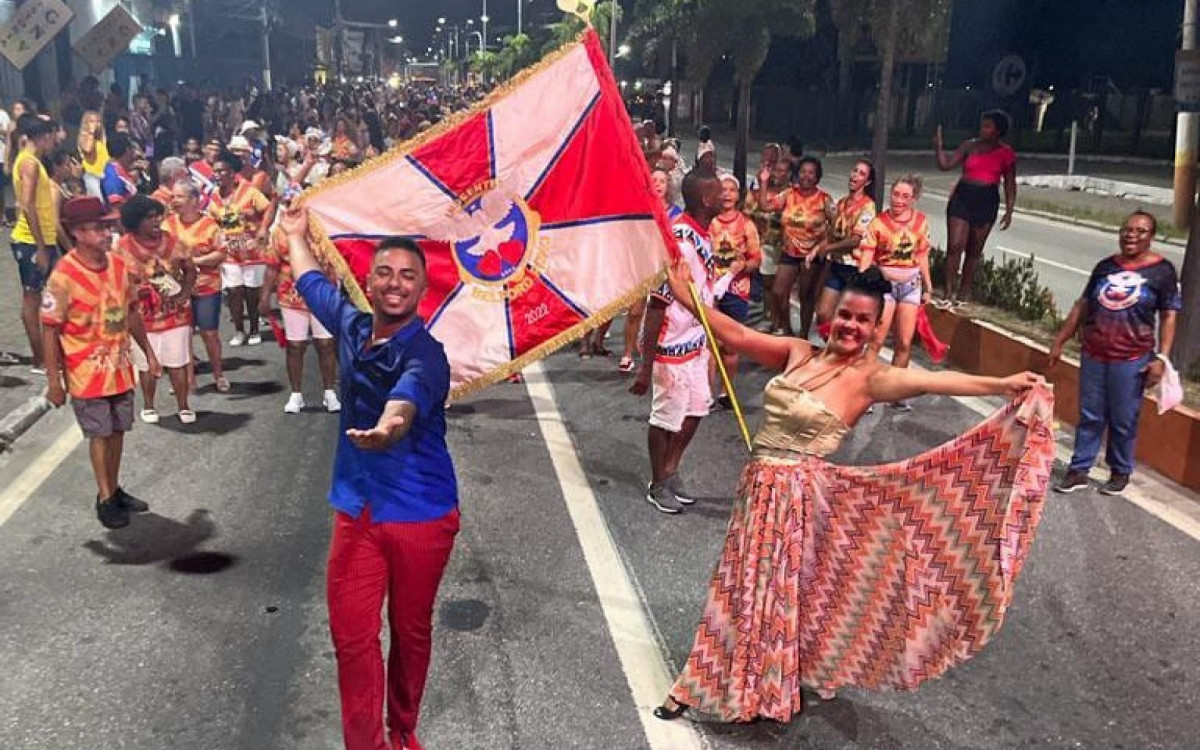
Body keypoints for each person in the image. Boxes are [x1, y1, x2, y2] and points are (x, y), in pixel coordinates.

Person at [652, 260, 1051, 725]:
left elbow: (934, 381)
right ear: (830, 313)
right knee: (746, 587)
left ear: (873, 326)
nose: (850, 326)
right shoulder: (799, 352)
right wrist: (686, 297)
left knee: (761, 592)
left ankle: (708, 683)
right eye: (845, 315)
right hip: (758, 491)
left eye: (862, 320)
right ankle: (739, 679)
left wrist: (1001, 384)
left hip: (797, 501)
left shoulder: (871, 379)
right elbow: (736, 337)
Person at [278, 205, 460, 750]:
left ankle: (403, 730)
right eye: (385, 272)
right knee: (353, 639)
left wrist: (388, 426)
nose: (394, 284)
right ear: (369, 279)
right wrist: (293, 235)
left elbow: (408, 396)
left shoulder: (428, 354)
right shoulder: (355, 327)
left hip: (419, 516)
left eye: (407, 275)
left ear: (422, 287)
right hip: (356, 512)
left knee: (410, 631)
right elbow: (312, 284)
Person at [42, 196, 160, 529]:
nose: (107, 233)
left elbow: (132, 311)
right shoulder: (63, 276)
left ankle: (114, 486)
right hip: (85, 372)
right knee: (100, 433)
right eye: (98, 228)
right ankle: (105, 497)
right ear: (78, 232)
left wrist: (148, 353)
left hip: (119, 367)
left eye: (108, 226)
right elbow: (49, 330)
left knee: (119, 429)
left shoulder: (119, 265)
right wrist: (55, 381)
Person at [1050, 210, 1180, 496]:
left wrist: (1162, 358)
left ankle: (1120, 471)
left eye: (1140, 231)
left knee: (1123, 418)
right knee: (1090, 415)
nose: (1131, 235)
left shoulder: (1162, 271)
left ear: (1151, 236)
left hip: (1132, 360)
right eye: (1127, 229)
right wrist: (1060, 340)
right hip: (1095, 354)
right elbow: (1082, 306)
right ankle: (1079, 469)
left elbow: (1169, 316)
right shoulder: (1105, 267)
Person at [630, 170, 721, 515]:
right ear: (706, 199)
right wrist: (646, 365)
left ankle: (670, 470)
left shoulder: (702, 234)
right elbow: (657, 304)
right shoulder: (680, 242)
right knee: (666, 418)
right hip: (672, 346)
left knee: (698, 409)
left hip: (696, 342)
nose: (727, 194)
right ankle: (657, 482)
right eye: (719, 191)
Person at [117, 195, 198, 424]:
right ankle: (149, 405)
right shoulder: (122, 247)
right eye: (149, 218)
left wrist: (184, 292)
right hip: (142, 317)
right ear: (135, 222)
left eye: (157, 216)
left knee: (177, 361)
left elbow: (190, 270)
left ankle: (183, 406)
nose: (156, 221)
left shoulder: (173, 242)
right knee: (145, 363)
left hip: (175, 314)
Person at [857, 175, 933, 410]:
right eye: (896, 194)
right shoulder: (878, 223)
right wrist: (863, 281)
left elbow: (921, 255)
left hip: (911, 285)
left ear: (914, 199)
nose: (899, 200)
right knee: (876, 339)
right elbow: (867, 254)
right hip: (885, 285)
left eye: (905, 196)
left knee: (904, 342)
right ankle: (865, 390)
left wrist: (928, 286)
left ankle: (896, 392)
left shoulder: (921, 222)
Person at [934, 110, 1017, 307]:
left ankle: (963, 295)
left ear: (998, 131)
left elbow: (1010, 183)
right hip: (963, 197)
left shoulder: (1006, 153)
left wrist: (1009, 210)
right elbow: (945, 165)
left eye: (988, 126)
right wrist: (938, 146)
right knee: (955, 245)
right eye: (982, 125)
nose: (983, 129)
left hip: (986, 200)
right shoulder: (969, 146)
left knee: (974, 250)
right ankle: (947, 292)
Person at [262, 228, 341, 414]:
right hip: (291, 296)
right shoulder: (281, 233)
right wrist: (265, 296)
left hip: (323, 294)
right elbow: (272, 265)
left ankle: (329, 392)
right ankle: (296, 394)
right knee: (295, 345)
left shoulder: (327, 228)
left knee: (326, 343)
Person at [164, 179, 230, 393]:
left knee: (209, 333)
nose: (174, 201)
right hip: (177, 288)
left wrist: (196, 262)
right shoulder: (168, 224)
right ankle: (188, 379)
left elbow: (221, 252)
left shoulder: (209, 225)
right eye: (173, 196)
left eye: (179, 197)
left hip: (206, 286)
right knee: (183, 333)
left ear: (194, 200)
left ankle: (218, 374)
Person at [209, 149, 274, 347]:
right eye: (216, 171)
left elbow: (269, 207)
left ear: (231, 173)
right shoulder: (215, 197)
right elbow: (212, 221)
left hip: (252, 250)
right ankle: (239, 330)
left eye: (221, 171)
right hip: (229, 252)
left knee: (251, 292)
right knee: (233, 292)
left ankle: (254, 328)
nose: (218, 175)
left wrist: (263, 228)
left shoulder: (250, 191)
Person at [11, 118, 60, 375]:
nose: (53, 143)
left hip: (42, 238)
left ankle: (47, 355)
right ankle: (40, 358)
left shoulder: (29, 161)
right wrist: (41, 246)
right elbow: (27, 204)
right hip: (31, 240)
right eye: (52, 137)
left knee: (45, 295)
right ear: (42, 137)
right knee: (32, 298)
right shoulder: (29, 163)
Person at [708, 174, 761, 407]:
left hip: (736, 290)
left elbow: (756, 260)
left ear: (738, 195)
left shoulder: (746, 225)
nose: (727, 194)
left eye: (731, 190)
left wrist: (742, 267)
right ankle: (706, 393)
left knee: (729, 345)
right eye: (723, 189)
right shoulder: (708, 221)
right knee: (709, 344)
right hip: (709, 288)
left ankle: (725, 391)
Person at [774, 156, 835, 339]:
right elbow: (765, 205)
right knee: (778, 292)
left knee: (806, 296)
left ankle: (803, 336)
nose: (806, 176)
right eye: (802, 172)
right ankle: (787, 330)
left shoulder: (824, 199)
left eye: (811, 173)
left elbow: (836, 228)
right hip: (789, 250)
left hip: (812, 254)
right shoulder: (788, 194)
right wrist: (762, 182)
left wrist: (822, 247)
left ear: (817, 177)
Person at [815, 159, 877, 329]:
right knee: (823, 314)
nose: (855, 175)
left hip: (855, 268)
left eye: (861, 173)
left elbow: (856, 241)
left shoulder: (868, 207)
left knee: (846, 317)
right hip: (837, 265)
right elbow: (832, 234)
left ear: (868, 182)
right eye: (855, 170)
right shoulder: (841, 203)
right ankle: (830, 348)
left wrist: (828, 248)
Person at [747, 151, 789, 333]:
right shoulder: (756, 193)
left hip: (786, 246)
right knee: (768, 284)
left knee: (780, 288)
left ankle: (782, 322)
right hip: (765, 243)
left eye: (782, 171)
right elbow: (749, 213)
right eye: (775, 170)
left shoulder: (791, 193)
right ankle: (771, 317)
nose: (777, 175)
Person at [99, 133, 138, 209]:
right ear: (128, 150)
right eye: (133, 148)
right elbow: (116, 206)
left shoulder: (121, 170)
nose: (135, 152)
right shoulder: (112, 175)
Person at [77, 110, 108, 198]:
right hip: (92, 175)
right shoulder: (84, 136)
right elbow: (87, 149)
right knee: (98, 203)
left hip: (104, 175)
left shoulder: (100, 139)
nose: (95, 124)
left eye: (98, 121)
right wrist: (91, 132)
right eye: (92, 121)